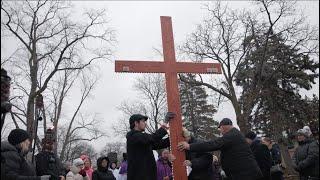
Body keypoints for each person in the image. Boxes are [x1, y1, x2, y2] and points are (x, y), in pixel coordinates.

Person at [178, 118, 262, 180]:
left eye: (220, 129)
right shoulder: (235, 135)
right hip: (242, 174)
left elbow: (213, 144)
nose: (220, 132)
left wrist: (189, 146)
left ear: (223, 127)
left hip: (246, 175)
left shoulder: (232, 135)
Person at [126, 112, 174, 180]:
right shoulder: (133, 136)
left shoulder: (142, 140)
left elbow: (159, 144)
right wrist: (165, 123)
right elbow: (153, 138)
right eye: (143, 121)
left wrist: (173, 138)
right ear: (136, 123)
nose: (145, 123)